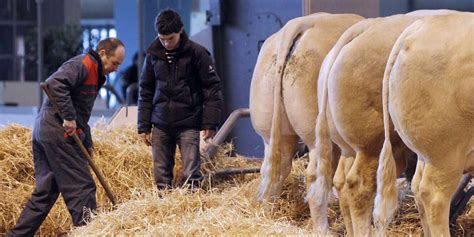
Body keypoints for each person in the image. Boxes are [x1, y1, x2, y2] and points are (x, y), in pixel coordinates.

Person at [7, 38, 125, 236]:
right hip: (57, 129)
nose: (116, 69)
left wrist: (87, 143)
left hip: (45, 129)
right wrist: (69, 118)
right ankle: (89, 233)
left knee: (46, 191)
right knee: (83, 188)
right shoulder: (83, 64)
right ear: (103, 53)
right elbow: (55, 84)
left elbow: (82, 114)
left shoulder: (95, 73)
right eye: (115, 63)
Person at [138, 9, 223, 190]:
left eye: (171, 38)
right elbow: (145, 89)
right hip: (160, 123)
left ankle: (192, 205)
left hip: (189, 123)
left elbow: (212, 88)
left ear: (181, 31)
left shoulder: (198, 53)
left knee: (192, 172)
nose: (167, 43)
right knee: (161, 172)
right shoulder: (152, 55)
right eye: (163, 39)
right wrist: (144, 125)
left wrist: (210, 124)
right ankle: (162, 208)